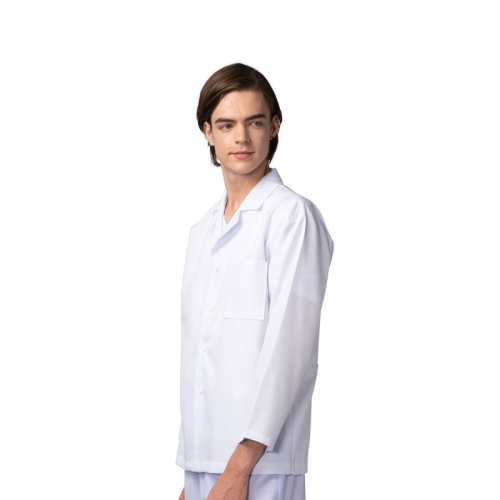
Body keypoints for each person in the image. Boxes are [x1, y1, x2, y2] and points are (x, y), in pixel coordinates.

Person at [176, 63, 334, 500]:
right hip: (202, 462)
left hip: (260, 464)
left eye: (255, 122)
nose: (241, 138)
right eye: (227, 125)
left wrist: (240, 465)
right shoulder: (201, 231)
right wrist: (192, 472)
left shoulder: (291, 217)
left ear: (274, 127)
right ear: (208, 132)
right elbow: (199, 354)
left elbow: (290, 348)